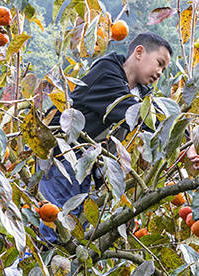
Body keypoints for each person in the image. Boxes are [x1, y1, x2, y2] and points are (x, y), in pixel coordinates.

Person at [38, 32, 172, 242]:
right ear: (139, 52)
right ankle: (35, 269)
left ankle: (61, 269)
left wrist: (188, 139)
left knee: (72, 233)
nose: (160, 72)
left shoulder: (140, 93)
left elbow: (160, 117)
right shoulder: (106, 73)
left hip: (84, 168)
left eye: (164, 69)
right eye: (159, 63)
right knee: (53, 230)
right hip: (60, 160)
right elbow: (139, 113)